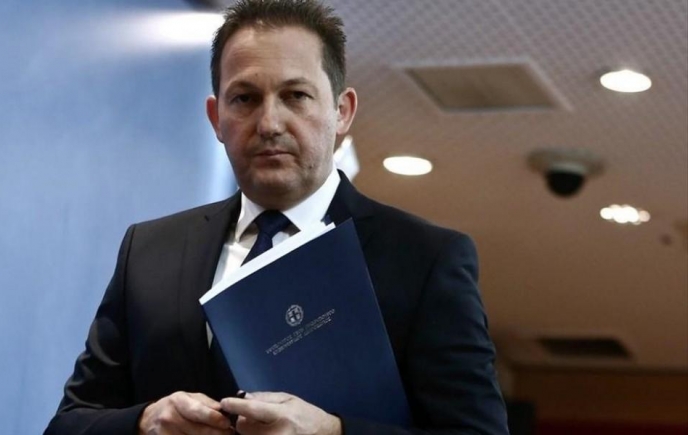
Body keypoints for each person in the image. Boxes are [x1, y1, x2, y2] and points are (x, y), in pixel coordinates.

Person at [45, 1, 509, 434]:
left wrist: (333, 431)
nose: (269, 123)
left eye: (296, 95)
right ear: (216, 118)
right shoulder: (150, 253)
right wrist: (145, 421)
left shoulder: (424, 259)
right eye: (244, 98)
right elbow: (69, 422)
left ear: (342, 112)